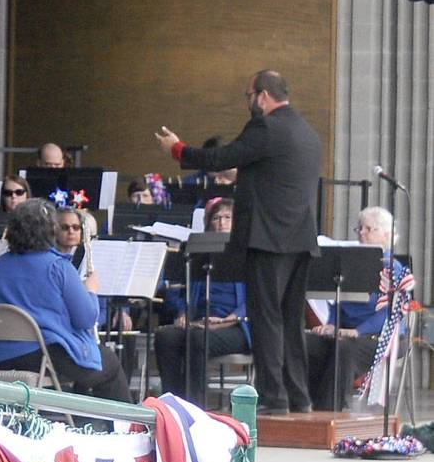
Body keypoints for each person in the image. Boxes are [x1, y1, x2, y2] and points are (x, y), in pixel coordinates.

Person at [156, 69, 322, 414]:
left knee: (266, 320)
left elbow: (221, 157)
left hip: (267, 240)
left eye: (248, 96)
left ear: (262, 96)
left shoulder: (265, 126)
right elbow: (270, 177)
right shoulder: (306, 132)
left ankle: (275, 400)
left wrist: (178, 150)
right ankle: (299, 397)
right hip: (299, 239)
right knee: (290, 321)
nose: (248, 102)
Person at [0, 199, 132, 404]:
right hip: (41, 358)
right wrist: (91, 291)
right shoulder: (58, 267)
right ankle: (127, 429)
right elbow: (86, 320)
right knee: (108, 362)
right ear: (49, 231)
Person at [305, 206, 411, 410]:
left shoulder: (394, 269)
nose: (362, 233)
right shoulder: (353, 264)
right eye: (360, 228)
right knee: (307, 344)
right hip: (346, 333)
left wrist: (356, 331)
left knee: (343, 347)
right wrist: (330, 325)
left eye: (368, 229)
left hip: (379, 337)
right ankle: (304, 405)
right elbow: (340, 303)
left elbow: (389, 313)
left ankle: (331, 409)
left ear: (387, 235)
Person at [154, 198, 251, 400]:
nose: (221, 223)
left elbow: (258, 296)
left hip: (237, 326)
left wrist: (231, 318)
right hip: (199, 322)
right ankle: (172, 402)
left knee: (198, 339)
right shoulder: (197, 251)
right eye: (216, 218)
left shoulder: (247, 253)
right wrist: (182, 312)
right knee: (166, 337)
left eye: (227, 217)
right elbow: (175, 288)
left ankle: (194, 406)